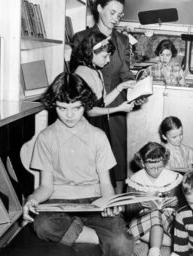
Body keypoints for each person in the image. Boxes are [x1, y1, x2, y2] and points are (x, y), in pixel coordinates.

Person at [22, 72, 137, 256]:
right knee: (42, 225)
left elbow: (106, 184)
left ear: (85, 104)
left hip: (95, 202)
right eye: (62, 108)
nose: (69, 115)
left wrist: (109, 203)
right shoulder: (46, 137)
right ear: (53, 105)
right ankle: (100, 238)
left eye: (76, 108)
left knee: (120, 243)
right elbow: (46, 187)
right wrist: (32, 199)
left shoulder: (97, 137)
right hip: (59, 204)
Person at [71, 0, 134, 193]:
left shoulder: (122, 40)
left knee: (117, 158)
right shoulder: (81, 37)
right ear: (99, 8)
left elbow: (126, 72)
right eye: (112, 13)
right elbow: (75, 80)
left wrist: (135, 90)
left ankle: (116, 205)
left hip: (115, 103)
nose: (115, 19)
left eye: (120, 15)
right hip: (89, 105)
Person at [125, 142, 183, 256]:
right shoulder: (135, 180)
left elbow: (184, 207)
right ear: (143, 163)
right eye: (152, 166)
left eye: (160, 166)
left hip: (166, 221)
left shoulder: (173, 177)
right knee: (156, 213)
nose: (157, 170)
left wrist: (176, 203)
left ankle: (156, 251)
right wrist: (139, 205)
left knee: (162, 215)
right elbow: (127, 212)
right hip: (141, 223)